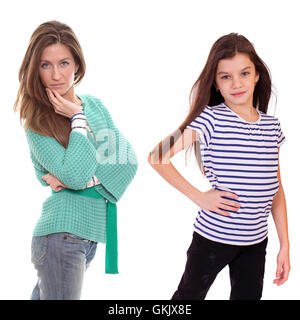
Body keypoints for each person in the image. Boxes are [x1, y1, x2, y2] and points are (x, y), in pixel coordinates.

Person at [148, 33, 290, 300]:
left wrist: (285, 245)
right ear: (215, 82)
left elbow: (276, 190)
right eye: (225, 76)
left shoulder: (272, 126)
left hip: (255, 242)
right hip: (212, 239)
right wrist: (199, 197)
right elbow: (157, 156)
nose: (236, 83)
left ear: (257, 75)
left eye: (244, 73)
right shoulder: (210, 119)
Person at [13, 20, 138, 300]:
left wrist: (84, 176)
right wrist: (77, 120)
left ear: (77, 65)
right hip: (61, 235)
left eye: (64, 63)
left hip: (88, 235)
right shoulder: (37, 123)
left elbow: (127, 162)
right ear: (36, 70)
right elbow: (74, 177)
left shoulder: (94, 105)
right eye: (46, 65)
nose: (56, 74)